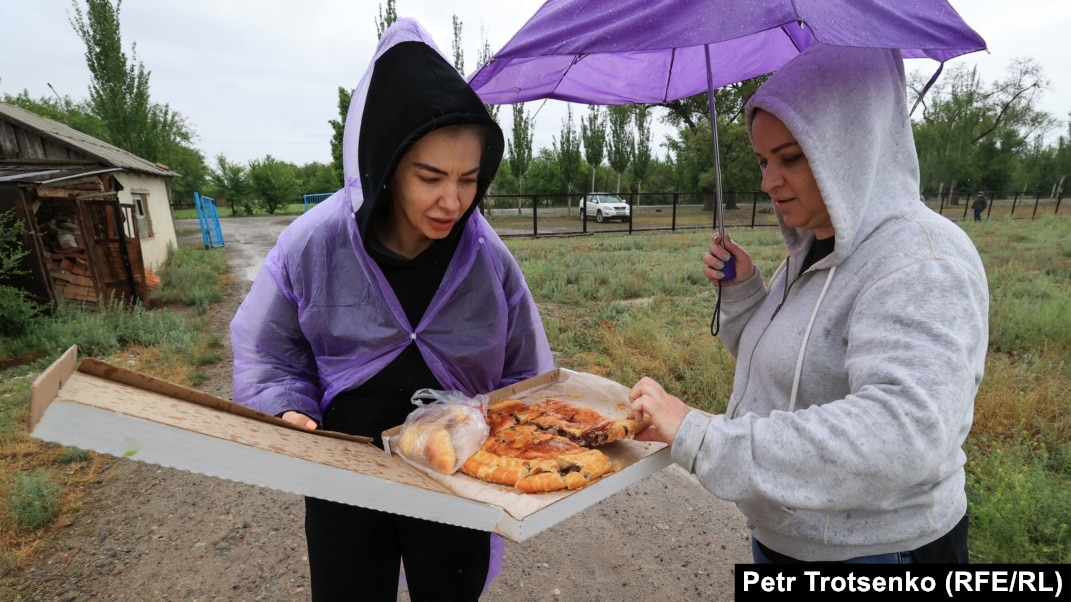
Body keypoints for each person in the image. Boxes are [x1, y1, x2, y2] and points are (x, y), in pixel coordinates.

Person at [230, 18, 554, 601]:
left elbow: (524, 374)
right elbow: (269, 353)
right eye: (429, 176)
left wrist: (525, 444)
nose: (452, 201)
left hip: (455, 472)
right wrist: (284, 409)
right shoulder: (313, 244)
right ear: (386, 165)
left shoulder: (488, 259)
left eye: (468, 179)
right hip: (343, 470)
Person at [629, 42, 988, 564]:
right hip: (788, 534)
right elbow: (783, 367)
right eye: (763, 160)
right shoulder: (813, 247)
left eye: (791, 158)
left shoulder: (922, 261)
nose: (768, 182)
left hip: (874, 553)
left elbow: (900, 434)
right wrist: (747, 292)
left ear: (850, 146)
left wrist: (703, 438)